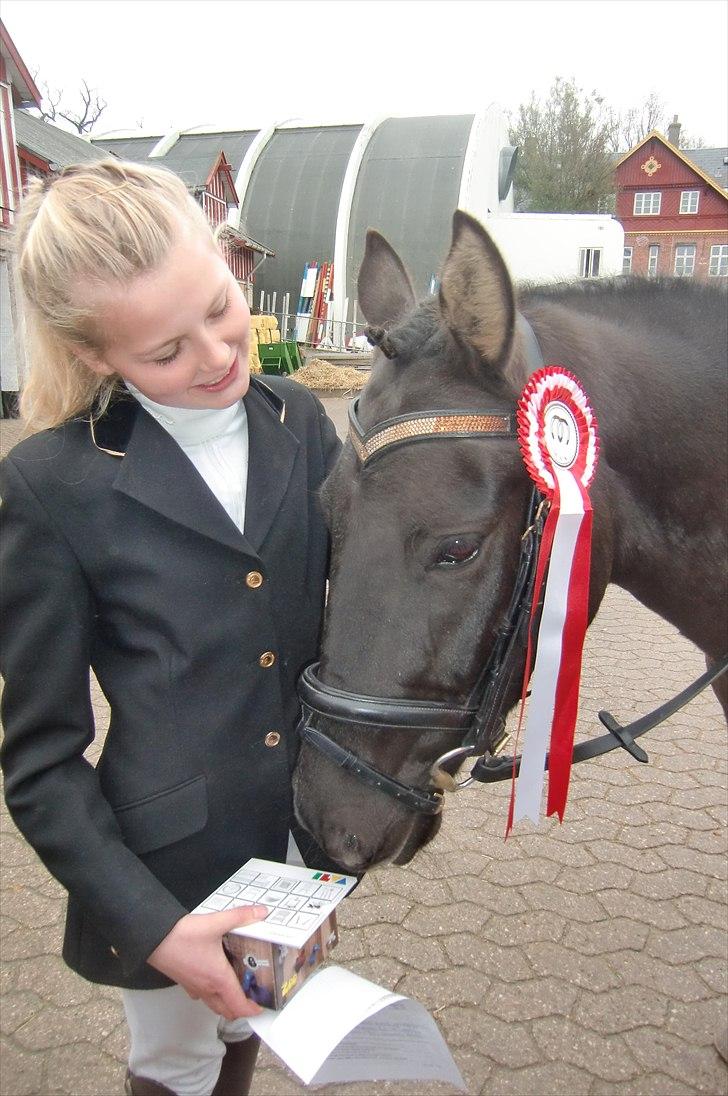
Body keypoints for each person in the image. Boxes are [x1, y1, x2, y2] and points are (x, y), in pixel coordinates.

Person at [0, 160, 342, 1096]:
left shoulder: (301, 418)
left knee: (250, 1023)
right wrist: (153, 928)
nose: (217, 355)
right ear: (97, 356)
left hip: (303, 839)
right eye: (164, 352)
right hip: (170, 872)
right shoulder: (51, 485)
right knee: (178, 1062)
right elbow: (39, 762)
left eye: (222, 307)